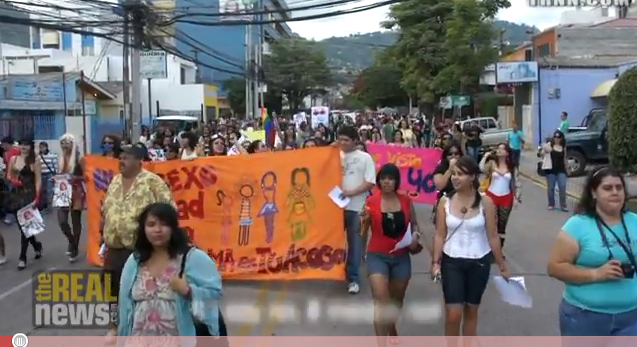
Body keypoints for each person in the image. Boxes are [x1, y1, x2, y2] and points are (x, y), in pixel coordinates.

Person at [547, 166, 637, 336]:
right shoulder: (577, 225)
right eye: (607, 188)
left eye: (619, 188)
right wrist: (596, 274)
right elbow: (555, 268)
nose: (615, 192)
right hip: (584, 317)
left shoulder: (634, 222)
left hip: (631, 318)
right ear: (594, 193)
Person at [117, 203, 223, 337]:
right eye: (151, 225)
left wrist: (188, 291)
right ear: (143, 229)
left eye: (164, 224)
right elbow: (124, 305)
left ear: (174, 228)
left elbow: (215, 293)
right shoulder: (134, 261)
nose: (157, 230)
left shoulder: (192, 258)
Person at [101, 142, 173, 337]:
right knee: (111, 289)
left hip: (140, 250)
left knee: (140, 292)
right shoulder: (115, 181)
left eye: (126, 157)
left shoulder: (152, 182)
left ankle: (139, 327)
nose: (121, 161)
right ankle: (114, 327)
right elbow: (106, 209)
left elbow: (168, 211)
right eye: (120, 156)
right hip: (114, 249)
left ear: (139, 160)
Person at [431, 156, 508, 336]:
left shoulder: (486, 203)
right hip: (451, 262)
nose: (455, 178)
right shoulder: (445, 202)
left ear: (473, 177)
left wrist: (502, 266)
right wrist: (435, 262)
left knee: (471, 310)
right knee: (453, 313)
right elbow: (439, 235)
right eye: (454, 174)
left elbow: (493, 236)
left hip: (479, 262)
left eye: (461, 174)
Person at [360, 163, 422, 338]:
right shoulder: (370, 202)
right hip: (377, 256)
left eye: (390, 178)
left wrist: (415, 236)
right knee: (381, 301)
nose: (386, 182)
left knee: (396, 301)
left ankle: (391, 324)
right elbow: (362, 232)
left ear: (396, 181)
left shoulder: (406, 200)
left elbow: (414, 224)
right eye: (383, 179)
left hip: (401, 257)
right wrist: (362, 222)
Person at [338, 125, 376, 294]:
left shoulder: (365, 158)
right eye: (340, 139)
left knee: (355, 245)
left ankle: (353, 279)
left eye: (346, 140)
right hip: (335, 209)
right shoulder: (333, 155)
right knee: (334, 242)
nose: (343, 143)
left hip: (359, 209)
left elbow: (370, 182)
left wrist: (350, 193)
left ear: (355, 141)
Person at [6, 138, 44, 270]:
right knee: (23, 227)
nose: (24, 147)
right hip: (16, 195)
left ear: (31, 147)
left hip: (29, 195)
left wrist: (37, 197)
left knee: (25, 227)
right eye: (22, 144)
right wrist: (13, 181)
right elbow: (9, 176)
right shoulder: (13, 159)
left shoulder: (35, 160)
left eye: (27, 145)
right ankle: (36, 246)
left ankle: (22, 257)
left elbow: (38, 180)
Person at [479, 143, 521, 252]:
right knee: (490, 223)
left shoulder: (512, 167)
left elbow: (517, 183)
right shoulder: (492, 163)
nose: (499, 151)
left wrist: (517, 197)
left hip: (506, 198)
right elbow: (482, 168)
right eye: (498, 149)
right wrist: (486, 156)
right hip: (491, 196)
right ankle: (488, 248)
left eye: (502, 149)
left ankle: (498, 250)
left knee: (502, 225)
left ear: (507, 152)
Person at [56, 134, 84, 262]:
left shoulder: (80, 158)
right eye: (62, 144)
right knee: (62, 221)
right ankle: (72, 241)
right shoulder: (60, 158)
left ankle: (74, 248)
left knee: (75, 221)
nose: (64, 146)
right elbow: (59, 175)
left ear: (73, 145)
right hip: (62, 192)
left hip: (76, 192)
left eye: (67, 144)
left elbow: (87, 177)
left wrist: (75, 178)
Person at [539, 130, 568, 211]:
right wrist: (544, 148)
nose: (556, 139)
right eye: (555, 137)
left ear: (561, 138)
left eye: (558, 137)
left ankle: (563, 205)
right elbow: (541, 154)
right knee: (551, 188)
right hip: (550, 170)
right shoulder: (549, 145)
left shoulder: (563, 146)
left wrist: (567, 169)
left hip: (561, 170)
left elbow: (565, 158)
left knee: (562, 187)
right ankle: (551, 204)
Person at [38, 141, 58, 213]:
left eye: (43, 147)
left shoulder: (52, 156)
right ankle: (44, 205)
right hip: (41, 174)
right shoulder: (38, 156)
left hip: (49, 174)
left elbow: (55, 166)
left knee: (49, 190)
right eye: (40, 147)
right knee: (42, 190)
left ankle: (49, 207)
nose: (41, 149)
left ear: (46, 147)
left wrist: (55, 175)